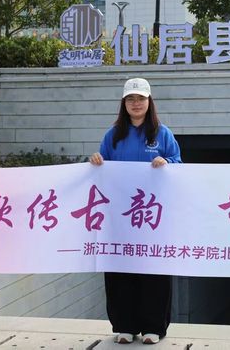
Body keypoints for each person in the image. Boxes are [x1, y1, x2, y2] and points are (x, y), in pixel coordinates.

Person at [89, 78, 181, 344]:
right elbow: (100, 168)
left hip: (153, 217)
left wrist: (167, 162)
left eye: (141, 98)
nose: (136, 103)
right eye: (131, 99)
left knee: (154, 270)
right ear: (124, 104)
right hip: (120, 217)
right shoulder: (113, 135)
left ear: (149, 102)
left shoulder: (162, 134)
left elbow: (179, 164)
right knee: (121, 270)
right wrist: (96, 161)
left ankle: (154, 327)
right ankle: (125, 326)